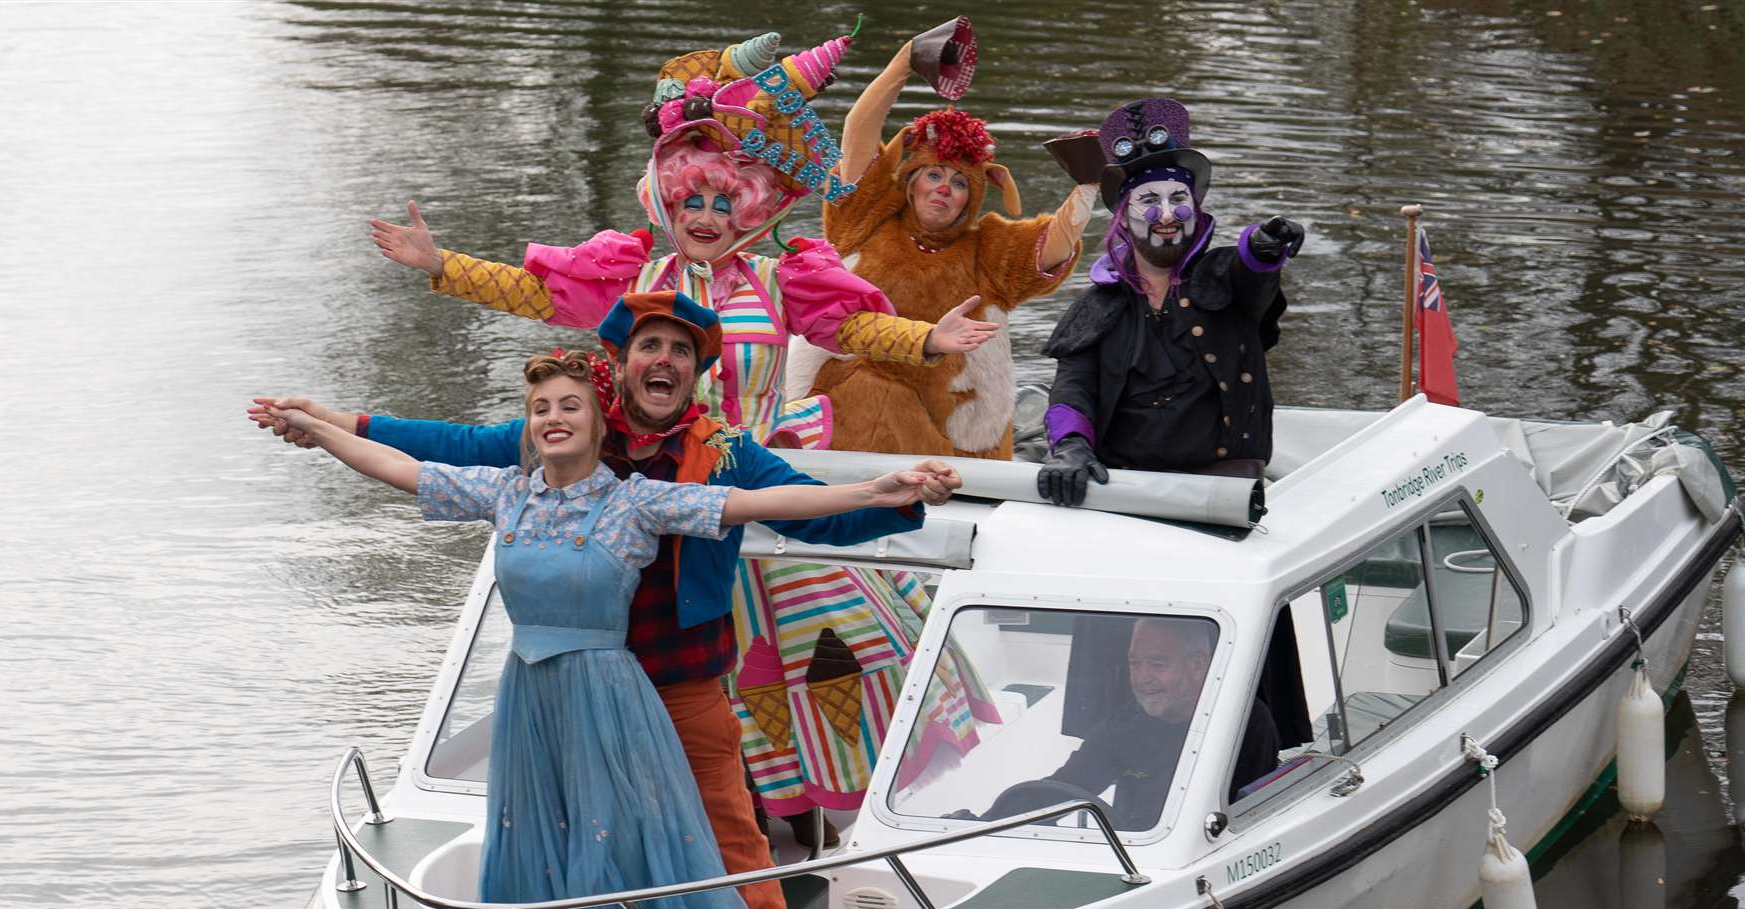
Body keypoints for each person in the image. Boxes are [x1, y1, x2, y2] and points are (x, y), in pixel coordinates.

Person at [366, 32, 993, 834]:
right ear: (666, 202)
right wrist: (441, 264)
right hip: (652, 494)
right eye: (691, 201)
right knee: (682, 667)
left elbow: (857, 329)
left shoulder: (780, 277)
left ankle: (820, 819)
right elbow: (536, 296)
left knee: (828, 649)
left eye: (722, 203)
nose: (704, 217)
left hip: (751, 482)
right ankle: (694, 818)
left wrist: (927, 341)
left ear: (752, 206)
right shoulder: (632, 277)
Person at [253, 292, 959, 909]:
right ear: (619, 366)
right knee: (585, 830)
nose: (666, 360)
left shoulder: (723, 456)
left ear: (696, 373)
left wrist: (893, 495)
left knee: (728, 834)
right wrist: (332, 424)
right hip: (563, 689)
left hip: (681, 684)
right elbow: (447, 449)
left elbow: (805, 511)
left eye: (683, 351)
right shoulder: (566, 432)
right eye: (650, 345)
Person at [789, 26, 1093, 460]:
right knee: (876, 391)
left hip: (955, 439)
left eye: (958, 183)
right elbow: (857, 131)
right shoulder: (864, 220)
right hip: (850, 424)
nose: (943, 189)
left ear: (973, 196)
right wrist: (903, 62)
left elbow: (1054, 247)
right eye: (933, 175)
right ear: (910, 183)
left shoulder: (987, 250)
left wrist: (1088, 184)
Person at [1036, 97, 1307, 507]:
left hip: (1227, 493)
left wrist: (1266, 243)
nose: (1167, 214)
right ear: (1125, 218)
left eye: (1178, 198)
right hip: (1124, 491)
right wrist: (1071, 448)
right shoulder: (1096, 307)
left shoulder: (1227, 280)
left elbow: (1253, 269)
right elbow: (1071, 390)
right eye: (1149, 201)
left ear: (1195, 212)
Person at [969, 618, 1279, 831]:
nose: (1142, 678)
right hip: (1133, 853)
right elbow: (1068, 785)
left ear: (1197, 664)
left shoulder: (1245, 722)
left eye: (1157, 664)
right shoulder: (1126, 724)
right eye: (1134, 663)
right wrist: (987, 824)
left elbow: (1245, 816)